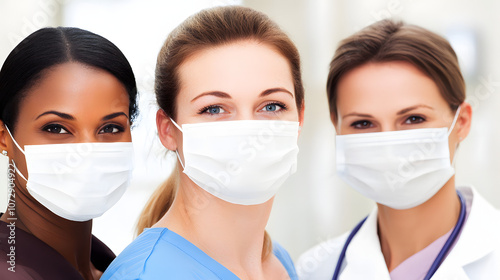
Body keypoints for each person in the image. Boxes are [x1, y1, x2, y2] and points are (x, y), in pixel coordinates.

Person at [102, 5, 304, 280]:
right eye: (214, 109)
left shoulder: (276, 261)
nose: (248, 129)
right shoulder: (145, 275)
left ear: (300, 118)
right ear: (167, 130)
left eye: (271, 106)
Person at [297, 19, 500, 279]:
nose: (388, 146)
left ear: (461, 122)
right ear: (337, 129)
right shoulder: (316, 269)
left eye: (414, 118)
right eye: (363, 123)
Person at [0, 27, 137, 279]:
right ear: (4, 136)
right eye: (56, 128)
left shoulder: (110, 265)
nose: (88, 149)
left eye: (110, 127)